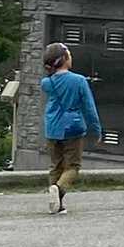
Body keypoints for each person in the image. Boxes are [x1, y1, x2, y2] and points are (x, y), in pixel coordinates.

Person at [40, 43, 101, 215]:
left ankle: (56, 203)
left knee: (56, 165)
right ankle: (58, 191)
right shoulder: (79, 81)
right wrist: (96, 129)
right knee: (73, 166)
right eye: (69, 54)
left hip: (52, 127)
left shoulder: (46, 82)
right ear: (65, 59)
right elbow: (89, 107)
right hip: (72, 127)